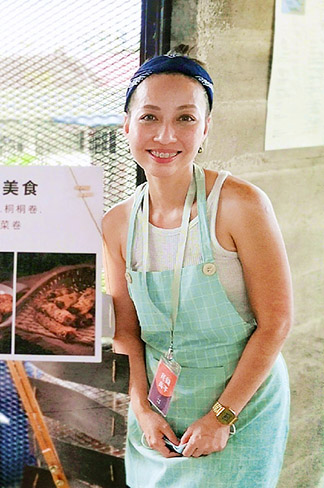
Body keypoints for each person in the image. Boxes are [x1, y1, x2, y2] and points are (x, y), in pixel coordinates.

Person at [102, 48, 291, 487]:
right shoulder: (116, 223)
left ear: (205, 128)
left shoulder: (240, 204)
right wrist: (142, 410)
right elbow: (127, 333)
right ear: (126, 126)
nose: (165, 135)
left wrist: (222, 415)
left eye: (186, 118)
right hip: (160, 414)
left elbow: (276, 323)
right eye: (149, 117)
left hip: (241, 409)